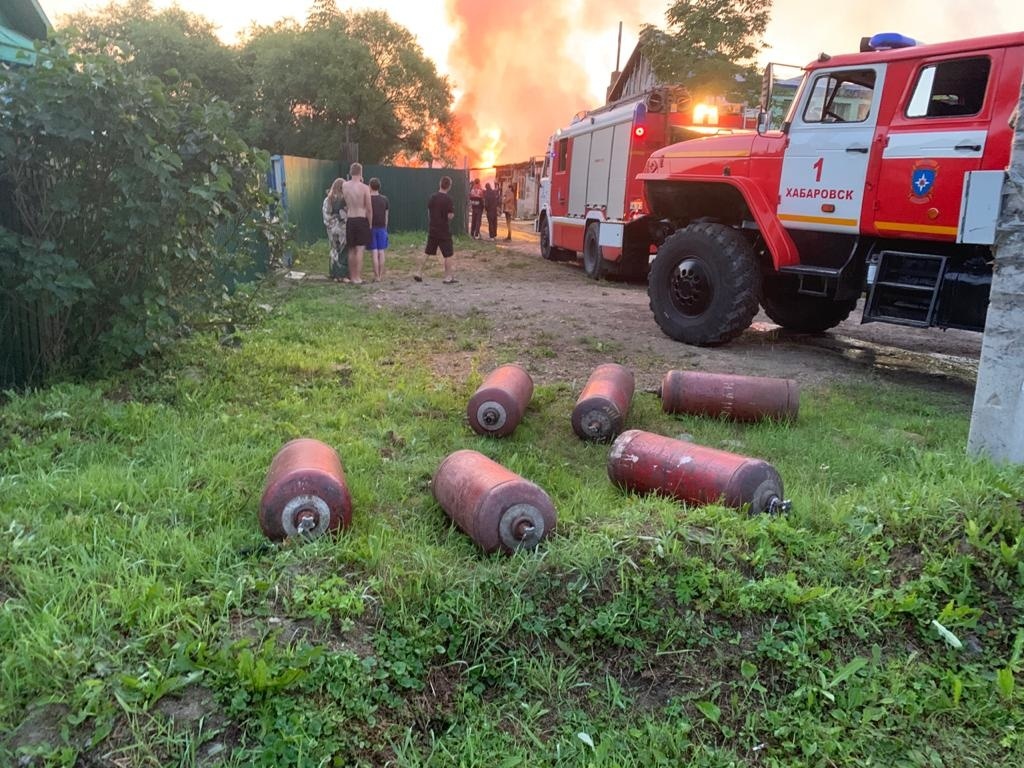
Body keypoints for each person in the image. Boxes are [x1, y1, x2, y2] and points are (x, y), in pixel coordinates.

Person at [415, 175, 457, 284]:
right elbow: (450, 216)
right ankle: (448, 277)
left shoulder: (432, 197)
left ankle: (418, 272)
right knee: (448, 254)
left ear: (440, 184)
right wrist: (451, 215)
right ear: (449, 186)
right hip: (444, 230)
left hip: (433, 229)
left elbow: (429, 212)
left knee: (427, 252)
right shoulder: (449, 199)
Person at [341, 162, 373, 284]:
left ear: (350, 172)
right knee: (360, 249)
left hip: (350, 219)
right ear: (361, 173)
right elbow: (369, 208)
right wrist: (369, 223)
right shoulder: (364, 187)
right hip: (361, 218)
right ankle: (358, 278)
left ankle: (352, 276)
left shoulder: (344, 186)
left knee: (351, 249)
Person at [322, 178, 348, 282]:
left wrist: (330, 224)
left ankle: (333, 274)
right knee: (342, 251)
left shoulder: (328, 199)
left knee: (333, 250)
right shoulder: (344, 199)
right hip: (342, 229)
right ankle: (341, 275)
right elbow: (345, 214)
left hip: (331, 229)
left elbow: (325, 215)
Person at [368, 177, 389, 281]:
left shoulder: (367, 199)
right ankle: (380, 275)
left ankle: (376, 276)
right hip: (382, 228)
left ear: (370, 186)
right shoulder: (384, 199)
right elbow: (386, 216)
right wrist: (385, 228)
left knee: (374, 252)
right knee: (381, 252)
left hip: (371, 228)